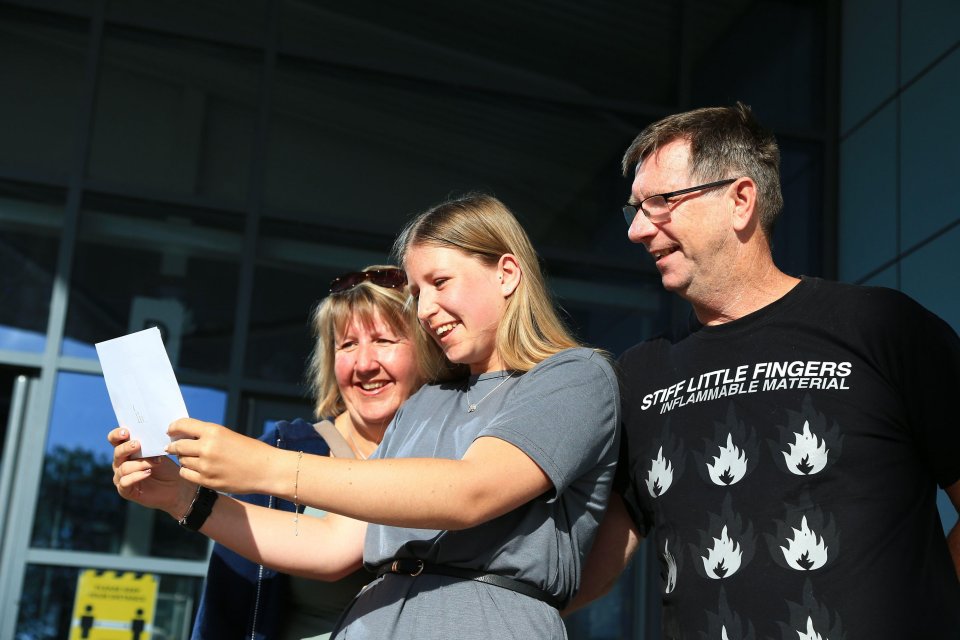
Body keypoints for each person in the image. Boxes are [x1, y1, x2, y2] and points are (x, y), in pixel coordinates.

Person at [110, 194, 620, 640]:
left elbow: (471, 491)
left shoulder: (574, 377)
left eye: (441, 282)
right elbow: (334, 545)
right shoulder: (424, 402)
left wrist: (265, 466)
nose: (425, 309)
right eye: (418, 294)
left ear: (507, 273)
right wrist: (182, 497)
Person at [571, 103, 960, 638]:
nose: (639, 230)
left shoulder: (878, 328)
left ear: (740, 200)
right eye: (635, 209)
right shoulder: (641, 375)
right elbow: (600, 557)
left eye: (660, 203)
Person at [190, 265, 433, 639]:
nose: (364, 364)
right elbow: (224, 613)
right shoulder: (281, 452)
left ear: (426, 349)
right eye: (348, 345)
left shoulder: (458, 448)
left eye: (384, 340)